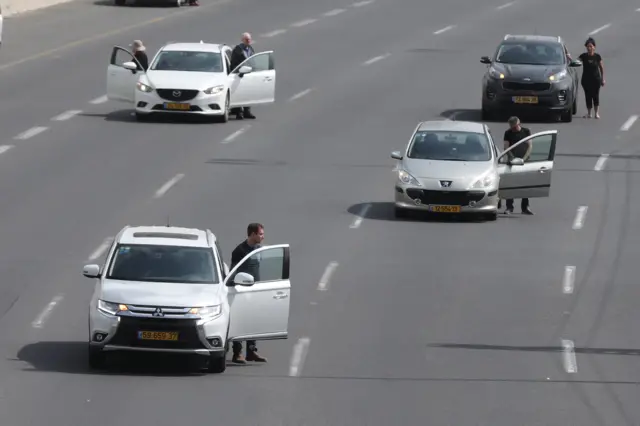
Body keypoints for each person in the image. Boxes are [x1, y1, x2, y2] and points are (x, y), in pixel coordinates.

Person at [229, 222, 267, 364]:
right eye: (261, 234)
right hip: (242, 291)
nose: (263, 237)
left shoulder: (258, 249)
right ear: (252, 234)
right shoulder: (239, 251)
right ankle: (237, 353)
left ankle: (251, 351)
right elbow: (233, 273)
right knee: (240, 321)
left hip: (255, 290)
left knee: (253, 322)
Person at [498, 116, 534, 215]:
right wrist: (513, 159)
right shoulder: (508, 133)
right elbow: (506, 147)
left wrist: (524, 159)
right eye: (511, 127)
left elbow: (530, 146)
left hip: (524, 162)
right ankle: (509, 207)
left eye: (515, 127)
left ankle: (525, 207)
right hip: (512, 161)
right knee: (511, 184)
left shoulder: (526, 131)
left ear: (519, 124)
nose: (513, 129)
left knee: (525, 185)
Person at [229, 33, 256, 120]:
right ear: (242, 40)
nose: (248, 41)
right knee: (238, 93)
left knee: (248, 93)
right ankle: (238, 112)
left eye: (249, 39)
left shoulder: (251, 49)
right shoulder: (238, 50)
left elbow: (253, 61)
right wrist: (237, 72)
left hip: (248, 75)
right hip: (239, 75)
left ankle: (247, 111)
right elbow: (233, 63)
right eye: (246, 39)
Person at [578, 37, 605, 119]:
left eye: (591, 46)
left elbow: (601, 68)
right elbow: (576, 62)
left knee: (595, 95)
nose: (589, 48)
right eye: (588, 46)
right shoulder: (583, 56)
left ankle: (596, 113)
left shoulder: (597, 57)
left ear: (594, 47)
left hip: (596, 80)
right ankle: (589, 113)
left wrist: (603, 79)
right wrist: (568, 58)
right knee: (588, 96)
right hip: (586, 80)